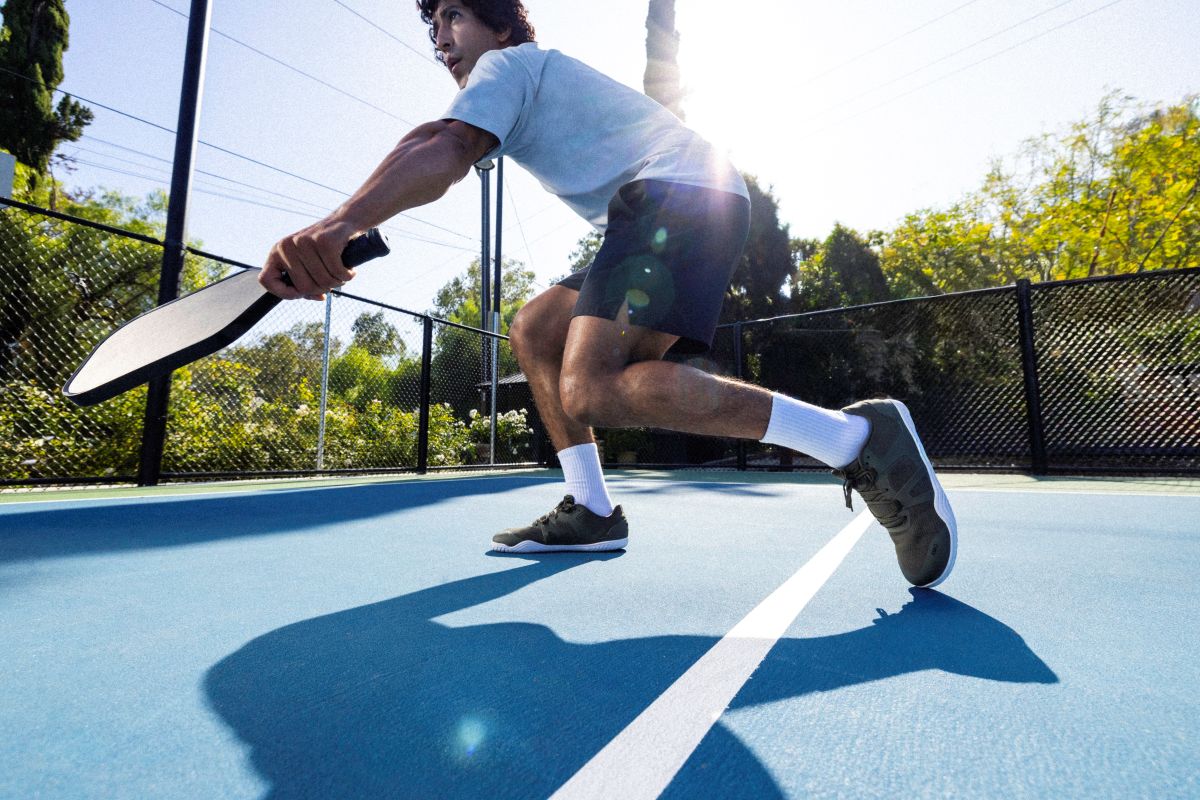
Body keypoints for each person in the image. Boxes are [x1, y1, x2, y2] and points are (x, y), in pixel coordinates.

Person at [259, 0, 957, 588]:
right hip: (671, 200)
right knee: (536, 328)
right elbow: (432, 138)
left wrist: (343, 223)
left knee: (590, 387)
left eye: (454, 17)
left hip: (680, 194)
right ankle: (591, 509)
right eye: (432, 28)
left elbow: (442, 145)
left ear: (501, 26)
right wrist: (346, 216)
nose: (441, 39)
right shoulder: (514, 81)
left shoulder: (508, 65)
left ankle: (854, 436)